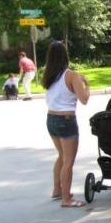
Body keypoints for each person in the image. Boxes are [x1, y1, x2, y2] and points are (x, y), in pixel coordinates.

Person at [42, 41, 89, 207]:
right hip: (66, 120)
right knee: (68, 161)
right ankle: (66, 199)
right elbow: (84, 99)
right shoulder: (71, 75)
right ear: (65, 55)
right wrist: (86, 85)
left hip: (51, 118)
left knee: (61, 157)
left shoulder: (48, 75)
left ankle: (57, 189)